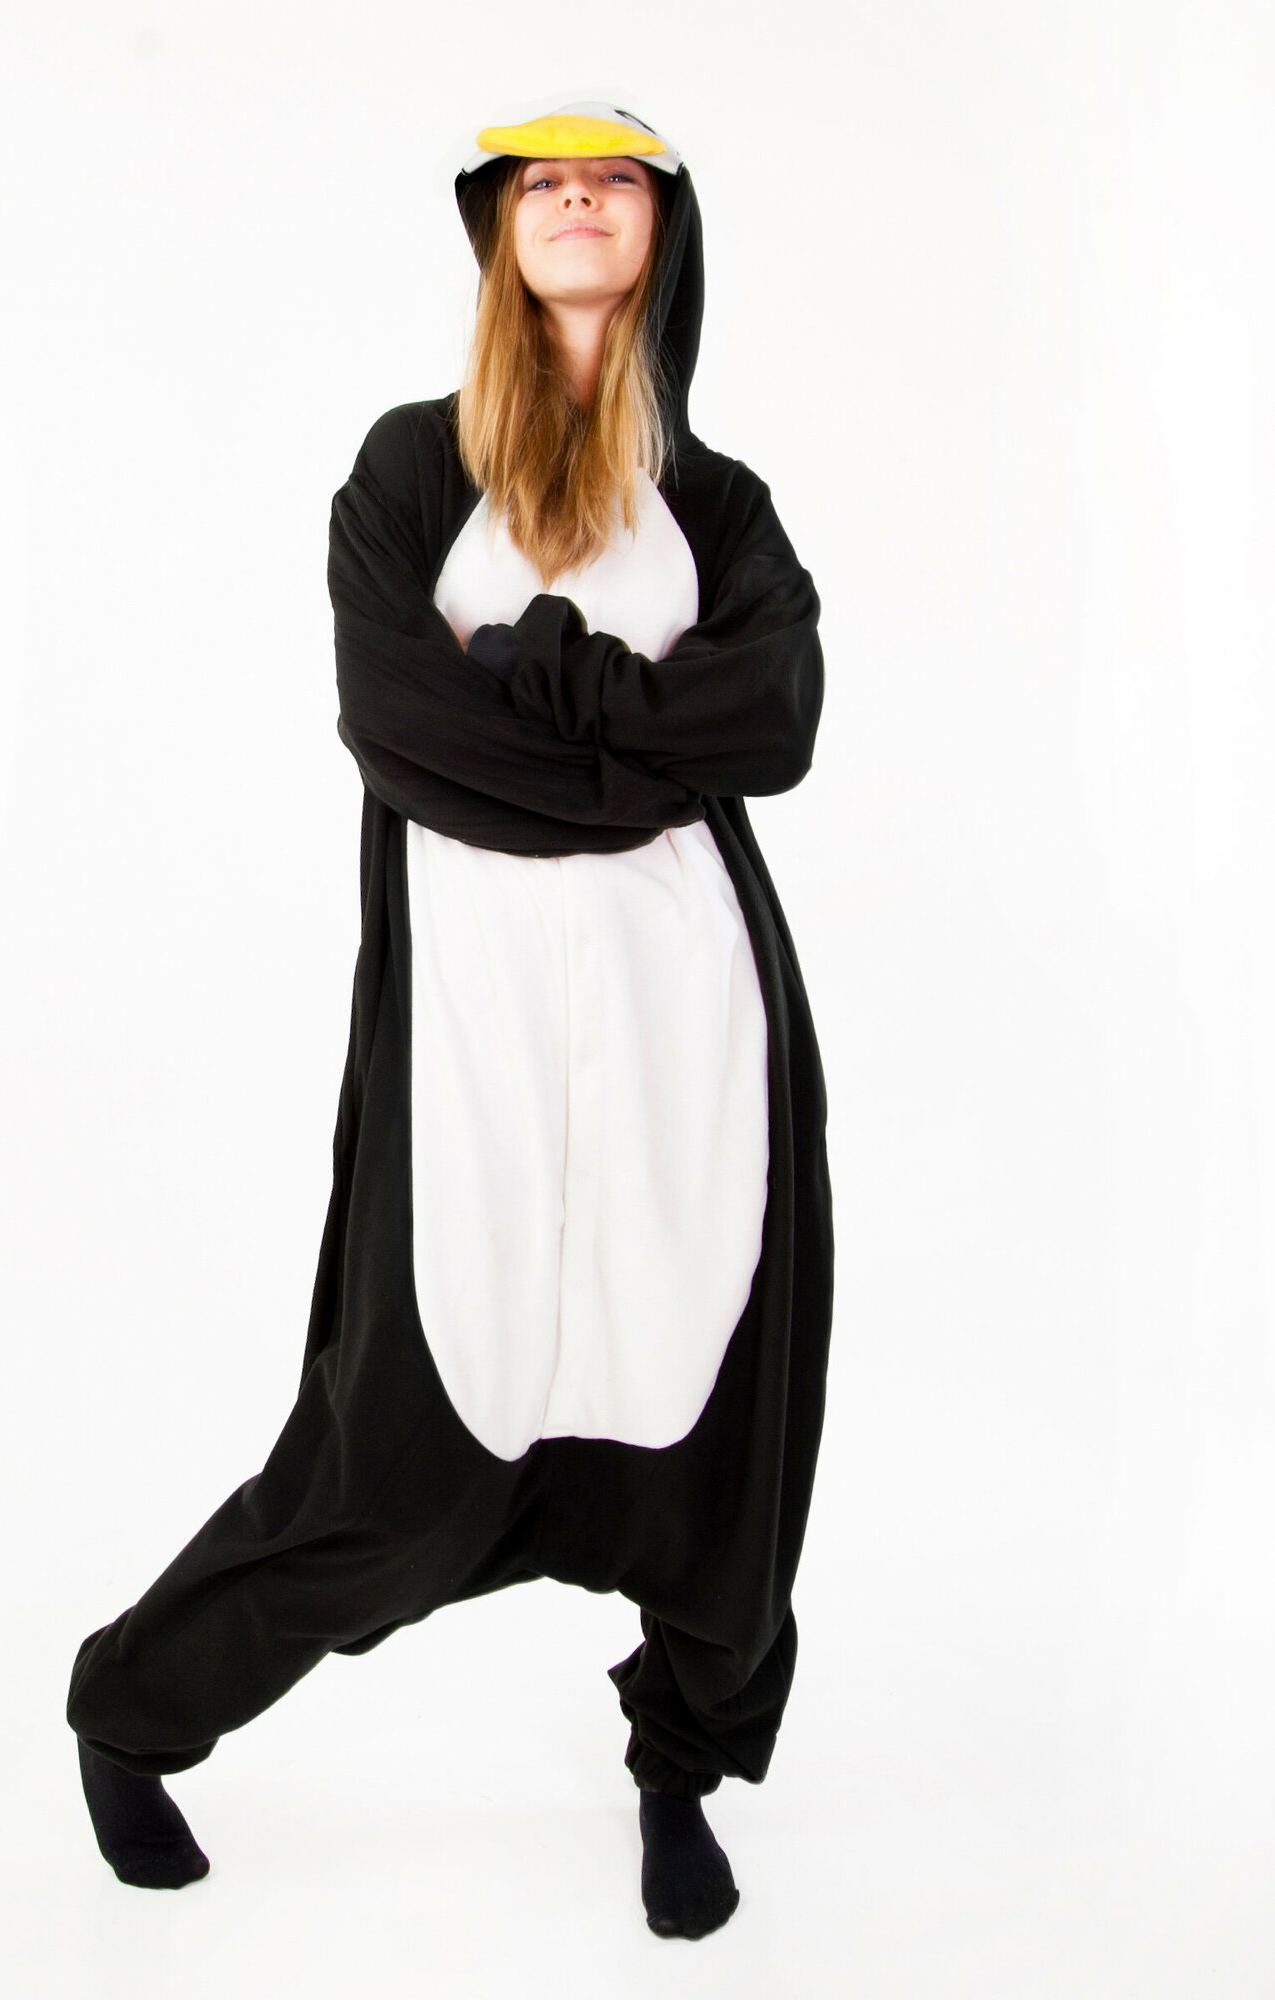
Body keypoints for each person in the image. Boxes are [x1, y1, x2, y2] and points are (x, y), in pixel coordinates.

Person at [66, 99, 834, 1944]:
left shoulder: (718, 505)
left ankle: (678, 1767)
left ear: (661, 231)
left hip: (690, 1021)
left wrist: (534, 675)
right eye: (544, 185)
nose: (578, 203)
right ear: (498, 231)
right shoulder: (414, 471)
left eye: (612, 182)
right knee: (391, 1449)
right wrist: (630, 737)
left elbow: (774, 722)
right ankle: (134, 1711)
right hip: (469, 1035)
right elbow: (404, 732)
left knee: (715, 1436)